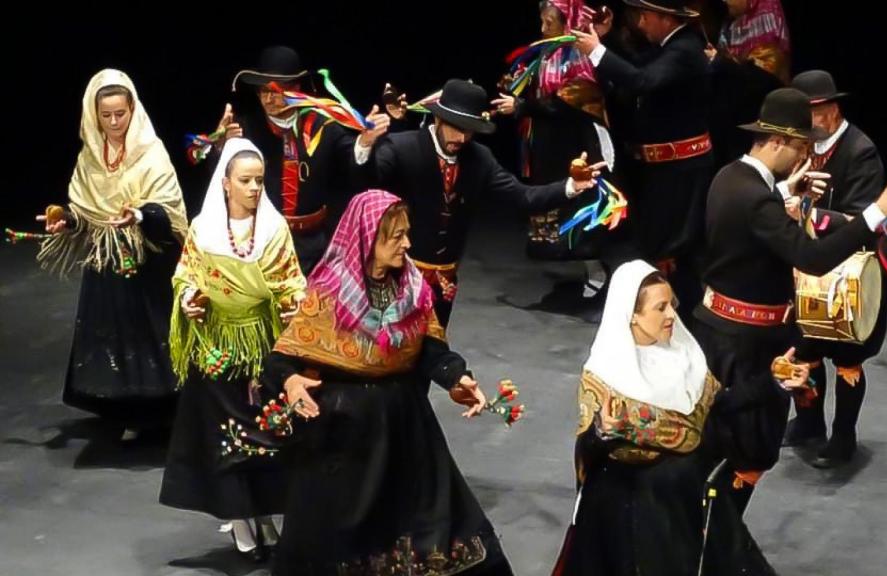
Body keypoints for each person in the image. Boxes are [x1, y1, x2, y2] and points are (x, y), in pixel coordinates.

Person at [692, 87, 887, 513]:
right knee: (749, 454)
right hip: (749, 343)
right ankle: (716, 538)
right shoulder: (756, 199)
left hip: (717, 330)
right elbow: (812, 259)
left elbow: (753, 216)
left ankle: (710, 535)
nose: (804, 158)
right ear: (778, 142)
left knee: (719, 445)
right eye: (800, 148)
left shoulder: (729, 177)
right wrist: (876, 212)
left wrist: (786, 192)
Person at [263, 189, 513, 575]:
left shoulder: (412, 289)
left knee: (430, 522)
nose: (407, 244)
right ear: (367, 236)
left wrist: (456, 377)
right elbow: (281, 357)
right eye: (395, 236)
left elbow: (431, 349)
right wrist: (292, 382)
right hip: (345, 436)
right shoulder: (328, 293)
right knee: (342, 540)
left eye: (406, 234)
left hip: (404, 428)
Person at [553, 260, 797, 575]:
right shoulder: (606, 373)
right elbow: (589, 453)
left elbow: (717, 406)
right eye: (660, 308)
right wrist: (603, 432)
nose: (671, 315)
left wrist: (771, 380)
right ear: (633, 316)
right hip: (635, 513)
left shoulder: (684, 355)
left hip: (688, 494)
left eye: (672, 305)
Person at [159, 138, 306, 561]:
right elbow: (185, 276)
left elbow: (291, 280)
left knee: (263, 431)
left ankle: (262, 516)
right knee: (226, 437)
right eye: (245, 181)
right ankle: (240, 519)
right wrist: (189, 299)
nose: (254, 188)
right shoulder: (203, 230)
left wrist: (293, 301)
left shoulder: (274, 230)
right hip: (217, 345)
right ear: (225, 183)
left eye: (259, 180)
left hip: (260, 344)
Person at [361, 79, 603, 327]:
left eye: (469, 130)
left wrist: (571, 186)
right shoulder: (403, 147)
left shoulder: (479, 158)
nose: (462, 137)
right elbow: (368, 181)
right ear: (439, 120)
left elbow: (523, 197)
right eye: (456, 127)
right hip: (396, 276)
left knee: (433, 347)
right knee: (390, 349)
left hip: (443, 283)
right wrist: (366, 145)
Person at [36, 69, 188, 440]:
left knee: (150, 333)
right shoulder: (90, 158)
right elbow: (84, 212)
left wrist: (138, 215)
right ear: (94, 115)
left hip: (147, 262)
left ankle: (161, 405)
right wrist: (67, 221)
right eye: (106, 115)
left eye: (121, 113)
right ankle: (116, 404)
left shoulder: (152, 153)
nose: (115, 122)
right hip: (106, 264)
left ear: (132, 110)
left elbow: (168, 211)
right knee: (109, 332)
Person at [574, 0, 715, 322]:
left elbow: (642, 81)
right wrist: (606, 40)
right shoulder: (668, 48)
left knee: (675, 252)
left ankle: (680, 322)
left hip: (681, 172)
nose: (639, 22)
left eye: (645, 15)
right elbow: (639, 68)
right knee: (656, 246)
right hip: (661, 171)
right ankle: (665, 318)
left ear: (665, 18)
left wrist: (597, 50)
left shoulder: (685, 49)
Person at [782, 70, 887, 468]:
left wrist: (806, 211)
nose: (806, 121)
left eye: (812, 111)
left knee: (846, 357)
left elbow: (865, 217)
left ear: (832, 109)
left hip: (848, 271)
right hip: (808, 265)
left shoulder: (860, 150)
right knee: (805, 349)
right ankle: (809, 421)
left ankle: (844, 434)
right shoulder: (799, 148)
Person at [210, 45, 390, 273]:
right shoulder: (245, 128)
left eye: (275, 91)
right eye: (262, 91)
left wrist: (364, 142)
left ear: (296, 89)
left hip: (316, 247)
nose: (268, 98)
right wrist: (220, 147)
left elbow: (355, 175)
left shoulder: (324, 126)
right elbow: (220, 185)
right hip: (261, 242)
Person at [493, 0, 614, 305]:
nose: (544, 28)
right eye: (543, 21)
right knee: (555, 200)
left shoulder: (579, 55)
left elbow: (572, 100)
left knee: (582, 207)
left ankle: (598, 273)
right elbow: (540, 91)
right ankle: (586, 274)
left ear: (567, 23)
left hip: (577, 144)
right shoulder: (547, 54)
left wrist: (523, 106)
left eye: (550, 22)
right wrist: (517, 85)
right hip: (549, 143)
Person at [717, 0, 791, 83]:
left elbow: (757, 81)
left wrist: (721, 63)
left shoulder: (769, 44)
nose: (724, 1)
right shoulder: (732, 24)